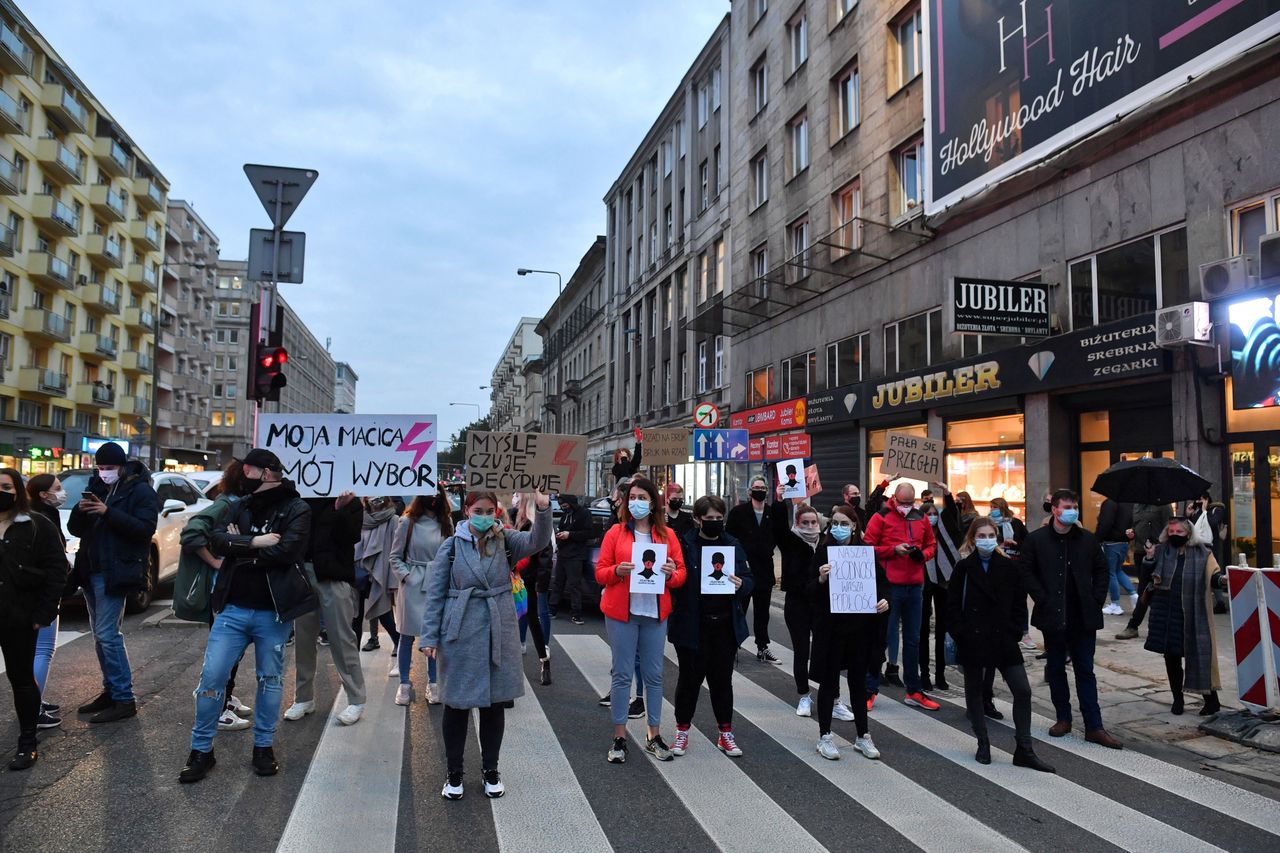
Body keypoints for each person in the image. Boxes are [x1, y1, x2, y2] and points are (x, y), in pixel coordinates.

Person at [179, 448, 317, 783]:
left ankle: (263, 747)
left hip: (272, 612)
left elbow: (287, 551)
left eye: (250, 469)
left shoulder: (296, 508)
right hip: (232, 609)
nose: (243, 473)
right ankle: (201, 751)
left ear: (268, 473)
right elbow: (215, 539)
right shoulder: (238, 504)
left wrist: (240, 548)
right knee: (211, 678)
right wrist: (255, 541)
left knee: (270, 681)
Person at [421, 489, 552, 800]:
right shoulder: (451, 547)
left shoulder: (506, 539)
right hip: (460, 631)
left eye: (489, 510)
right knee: (456, 706)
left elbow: (538, 541)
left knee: (494, 704)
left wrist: (544, 509)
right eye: (478, 510)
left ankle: (491, 769)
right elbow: (435, 594)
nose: (483, 515)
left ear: (496, 511)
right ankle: (454, 773)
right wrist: (429, 637)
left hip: (497, 628)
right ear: (467, 511)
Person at [948, 518, 1055, 772]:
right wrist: (961, 633)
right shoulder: (964, 568)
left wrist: (1016, 631)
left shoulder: (1008, 568)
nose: (987, 540)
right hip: (973, 639)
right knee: (974, 691)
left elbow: (1020, 603)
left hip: (1003, 638)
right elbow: (951, 607)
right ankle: (982, 742)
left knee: (1023, 690)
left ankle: (1024, 748)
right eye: (982, 535)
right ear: (973, 539)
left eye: (991, 535)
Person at [1019, 489, 1122, 748]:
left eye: (1074, 506)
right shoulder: (1036, 540)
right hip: (1052, 614)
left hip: (1083, 615)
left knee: (1085, 670)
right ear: (1054, 509)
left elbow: (1102, 569)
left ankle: (1094, 726)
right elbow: (1026, 570)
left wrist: (1097, 598)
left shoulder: (1087, 539)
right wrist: (1041, 597)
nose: (1071, 510)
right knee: (1055, 669)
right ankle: (1063, 718)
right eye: (1066, 506)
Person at [596, 477, 687, 765]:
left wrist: (672, 572)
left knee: (654, 676)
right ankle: (620, 736)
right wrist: (617, 572)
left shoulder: (667, 536)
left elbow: (681, 574)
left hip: (655, 614)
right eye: (632, 496)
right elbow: (600, 573)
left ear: (653, 502)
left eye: (642, 497)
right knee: (622, 675)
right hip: (622, 613)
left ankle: (654, 735)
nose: (636, 502)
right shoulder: (615, 533)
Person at [69, 442, 158, 724]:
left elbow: (144, 529)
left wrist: (108, 512)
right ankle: (110, 691)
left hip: (116, 571)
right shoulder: (97, 486)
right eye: (100, 467)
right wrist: (81, 511)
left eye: (109, 468)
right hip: (91, 568)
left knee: (108, 634)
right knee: (100, 636)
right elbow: (75, 529)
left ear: (121, 466)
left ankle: (123, 697)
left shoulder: (140, 489)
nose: (104, 472)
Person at [669, 496, 753, 758]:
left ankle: (725, 732)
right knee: (689, 682)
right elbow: (677, 579)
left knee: (722, 682)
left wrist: (742, 585)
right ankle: (682, 731)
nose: (715, 523)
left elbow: (750, 579)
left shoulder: (732, 544)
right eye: (710, 518)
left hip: (724, 626)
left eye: (719, 518)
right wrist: (671, 571)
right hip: (692, 625)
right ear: (697, 518)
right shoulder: (686, 545)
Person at [1, 468, 70, 770]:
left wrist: (44, 613)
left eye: (5, 486)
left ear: (18, 490)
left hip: (19, 617)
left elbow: (58, 571)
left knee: (22, 681)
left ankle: (27, 742)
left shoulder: (36, 525)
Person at [177, 460, 254, 732]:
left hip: (228, 588)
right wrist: (215, 562)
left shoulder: (235, 502)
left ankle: (225, 698)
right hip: (221, 589)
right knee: (225, 653)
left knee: (231, 652)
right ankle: (216, 708)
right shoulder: (228, 504)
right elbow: (192, 533)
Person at [810, 505, 888, 761]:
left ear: (855, 526)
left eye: (845, 523)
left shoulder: (866, 553)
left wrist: (884, 602)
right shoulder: (823, 552)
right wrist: (820, 580)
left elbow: (881, 585)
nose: (839, 528)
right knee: (829, 683)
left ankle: (862, 736)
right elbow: (807, 590)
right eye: (835, 523)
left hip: (860, 629)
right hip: (832, 629)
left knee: (857, 682)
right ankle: (825, 736)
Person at [284, 489, 367, 725]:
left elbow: (351, 537)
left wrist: (340, 510)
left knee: (342, 638)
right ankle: (303, 697)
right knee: (303, 637)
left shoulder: (351, 500)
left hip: (334, 576)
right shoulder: (300, 495)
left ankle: (356, 698)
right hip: (304, 572)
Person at [773, 497, 856, 720]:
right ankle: (804, 695)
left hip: (821, 604)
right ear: (797, 524)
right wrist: (782, 502)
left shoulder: (826, 544)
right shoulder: (790, 541)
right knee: (801, 652)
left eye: (813, 523)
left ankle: (835, 699)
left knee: (830, 653)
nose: (810, 527)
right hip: (797, 604)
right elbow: (778, 527)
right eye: (805, 523)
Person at [863, 482, 940, 711]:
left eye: (910, 502)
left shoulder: (920, 518)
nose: (906, 507)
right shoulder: (881, 517)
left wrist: (922, 555)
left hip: (915, 585)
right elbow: (867, 547)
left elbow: (931, 545)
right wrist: (892, 550)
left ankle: (913, 690)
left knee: (913, 640)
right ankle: (870, 689)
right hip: (890, 587)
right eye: (903, 502)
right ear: (894, 499)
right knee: (883, 639)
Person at [1142, 517, 1224, 716]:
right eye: (1171, 532)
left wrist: (1221, 579)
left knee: (1199, 655)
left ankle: (1211, 701)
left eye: (1178, 532)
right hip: (1167, 612)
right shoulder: (1161, 550)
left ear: (1188, 533)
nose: (1174, 535)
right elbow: (1146, 575)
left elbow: (1213, 575)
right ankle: (1177, 700)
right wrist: (1149, 558)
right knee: (1171, 657)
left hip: (1193, 612)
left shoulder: (1203, 552)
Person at [389, 494, 454, 705]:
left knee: (435, 636)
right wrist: (407, 576)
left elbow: (453, 553)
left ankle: (434, 684)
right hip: (413, 583)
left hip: (438, 583)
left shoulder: (446, 522)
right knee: (406, 636)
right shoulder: (406, 522)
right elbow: (394, 556)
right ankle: (404, 684)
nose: (432, 497)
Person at [25, 474, 68, 731]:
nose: (62, 492)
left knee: (36, 650)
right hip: (43, 593)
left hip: (31, 591)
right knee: (43, 650)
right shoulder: (43, 517)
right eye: (58, 488)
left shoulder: (29, 515)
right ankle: (34, 707)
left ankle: (34, 701)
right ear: (43, 494)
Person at [726, 476, 779, 664]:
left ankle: (762, 646)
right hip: (744, 569)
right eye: (756, 487)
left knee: (762, 612)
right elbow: (729, 537)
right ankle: (732, 644)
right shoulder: (739, 512)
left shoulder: (772, 513)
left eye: (763, 487)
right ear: (749, 491)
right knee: (739, 608)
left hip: (764, 568)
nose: (760, 490)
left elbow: (779, 536)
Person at [920, 487, 962, 693]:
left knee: (942, 630)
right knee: (922, 630)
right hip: (923, 583)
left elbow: (953, 513)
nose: (932, 517)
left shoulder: (946, 532)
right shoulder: (917, 534)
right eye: (927, 514)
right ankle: (924, 675)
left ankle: (940, 674)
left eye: (935, 514)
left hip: (943, 583)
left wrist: (947, 494)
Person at [1116, 501, 1174, 639]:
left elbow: (1169, 529)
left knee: (1147, 589)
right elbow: (1137, 527)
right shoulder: (1136, 506)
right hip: (1140, 552)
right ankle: (1157, 626)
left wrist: (1161, 547)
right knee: (1147, 590)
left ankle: (1133, 626)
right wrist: (1132, 533)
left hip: (1158, 552)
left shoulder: (1163, 505)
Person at [512, 493, 553, 686]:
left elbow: (544, 558)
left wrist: (539, 585)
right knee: (531, 622)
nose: (517, 504)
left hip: (525, 580)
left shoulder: (531, 525)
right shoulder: (524, 523)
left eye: (520, 500)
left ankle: (543, 663)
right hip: (523, 580)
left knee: (524, 622)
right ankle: (544, 663)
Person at [354, 496, 401, 657]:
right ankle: (353, 659)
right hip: (359, 573)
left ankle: (400, 646)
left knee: (384, 615)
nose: (376, 500)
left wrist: (394, 579)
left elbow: (398, 550)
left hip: (381, 573)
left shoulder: (394, 520)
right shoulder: (360, 518)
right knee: (356, 617)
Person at [551, 492, 593, 626]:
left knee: (574, 585)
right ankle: (552, 610)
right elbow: (562, 528)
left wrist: (570, 535)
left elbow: (587, 533)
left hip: (576, 555)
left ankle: (576, 614)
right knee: (558, 583)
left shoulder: (584, 514)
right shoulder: (565, 515)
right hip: (563, 552)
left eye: (565, 505)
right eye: (561, 505)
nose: (563, 507)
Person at [1186, 492, 1228, 613]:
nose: (1198, 502)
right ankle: (1201, 603)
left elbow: (1212, 522)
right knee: (1201, 575)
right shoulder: (1197, 511)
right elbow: (1193, 528)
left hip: (1211, 547)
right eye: (1197, 500)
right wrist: (1189, 515)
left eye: (1201, 499)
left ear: (1207, 499)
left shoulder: (1217, 509)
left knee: (1213, 572)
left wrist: (1205, 511)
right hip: (1198, 547)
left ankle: (1220, 603)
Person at [1095, 497, 1137, 616]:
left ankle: (1115, 604)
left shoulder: (1110, 503)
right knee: (1118, 570)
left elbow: (1105, 523)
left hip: (1111, 542)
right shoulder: (1129, 503)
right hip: (1124, 543)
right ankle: (1134, 594)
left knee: (1110, 572)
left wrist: (1096, 539)